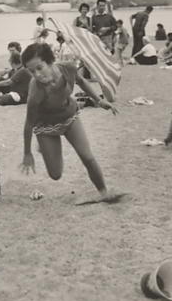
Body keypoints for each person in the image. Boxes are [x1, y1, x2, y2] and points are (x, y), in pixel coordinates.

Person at [19, 43, 120, 203]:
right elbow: (29, 123)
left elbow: (82, 81)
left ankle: (104, 192)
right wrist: (27, 153)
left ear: (50, 61)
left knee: (87, 157)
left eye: (40, 68)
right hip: (45, 126)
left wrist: (99, 100)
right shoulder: (36, 91)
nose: (37, 74)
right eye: (32, 71)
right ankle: (44, 147)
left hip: (69, 116)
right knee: (56, 174)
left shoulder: (68, 68)